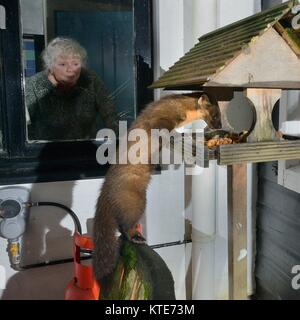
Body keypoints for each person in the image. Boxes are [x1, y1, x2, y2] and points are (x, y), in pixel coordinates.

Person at [25, 37, 118, 141]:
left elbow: (110, 114)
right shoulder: (34, 84)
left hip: (86, 150)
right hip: (47, 152)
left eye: (75, 64)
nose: (70, 69)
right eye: (63, 64)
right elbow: (21, 126)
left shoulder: (90, 79)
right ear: (50, 66)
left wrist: (119, 143)